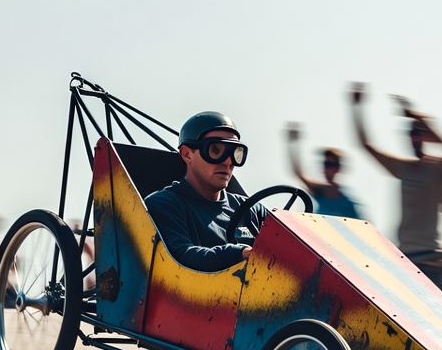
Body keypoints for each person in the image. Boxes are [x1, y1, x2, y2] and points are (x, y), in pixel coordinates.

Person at [349, 83, 442, 260]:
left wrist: (417, 116)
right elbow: (366, 145)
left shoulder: (438, 167)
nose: (415, 138)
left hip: (430, 252)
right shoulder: (403, 168)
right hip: (405, 253)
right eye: (412, 134)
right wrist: (356, 107)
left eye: (419, 133)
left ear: (427, 136)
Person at [146, 111, 268, 272]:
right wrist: (241, 254)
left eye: (235, 153)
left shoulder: (251, 210)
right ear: (187, 155)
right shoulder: (163, 205)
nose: (228, 161)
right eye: (216, 150)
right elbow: (179, 258)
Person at [285, 123, 362, 218]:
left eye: (330, 164)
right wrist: (292, 143)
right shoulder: (320, 189)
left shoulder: (349, 203)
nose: (325, 168)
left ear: (338, 168)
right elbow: (298, 173)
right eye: (324, 164)